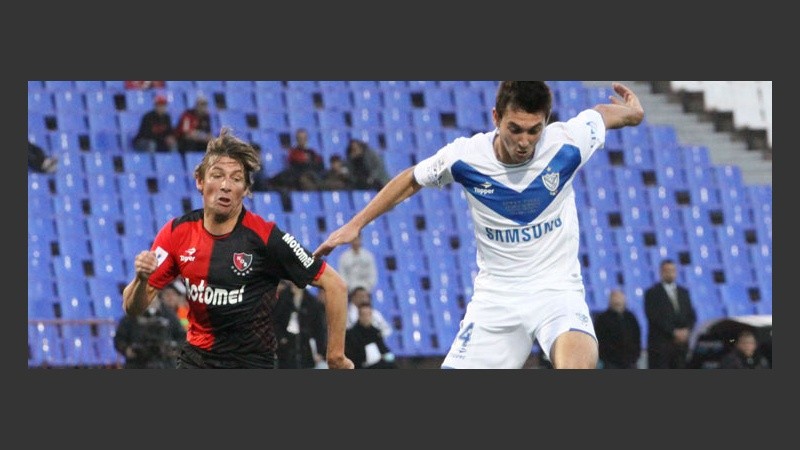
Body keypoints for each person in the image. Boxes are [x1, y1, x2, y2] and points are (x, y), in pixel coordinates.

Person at [314, 81, 645, 369]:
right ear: (496, 118)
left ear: (546, 121)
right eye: (515, 129)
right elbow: (411, 179)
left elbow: (602, 115)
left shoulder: (567, 143)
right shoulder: (466, 157)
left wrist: (634, 114)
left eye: (534, 130)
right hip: (497, 298)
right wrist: (356, 224)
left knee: (578, 363)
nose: (524, 141)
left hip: (558, 291)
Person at [122, 127, 354, 369]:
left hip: (251, 364)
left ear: (246, 190)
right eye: (217, 175)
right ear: (200, 181)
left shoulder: (266, 237)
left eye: (236, 178)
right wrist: (141, 279)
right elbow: (132, 307)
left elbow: (335, 285)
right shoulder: (176, 232)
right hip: (196, 361)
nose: (226, 185)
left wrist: (335, 356)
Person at [644, 259, 698, 369]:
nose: (670, 273)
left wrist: (686, 331)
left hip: (681, 349)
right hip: (661, 348)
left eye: (672, 270)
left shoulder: (684, 292)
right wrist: (674, 332)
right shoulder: (652, 293)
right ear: (661, 272)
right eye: (667, 270)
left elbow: (691, 315)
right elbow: (654, 317)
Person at [113, 294, 186, 368]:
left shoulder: (169, 315)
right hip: (137, 363)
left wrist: (175, 348)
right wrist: (126, 349)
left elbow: (182, 336)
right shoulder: (131, 317)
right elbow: (119, 338)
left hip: (165, 363)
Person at [272, 281, 328, 369]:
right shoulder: (283, 297)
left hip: (305, 347)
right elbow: (275, 320)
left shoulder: (311, 301)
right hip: (286, 349)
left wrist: (320, 351)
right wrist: (281, 338)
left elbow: (319, 328)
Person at [593, 289, 642, 369]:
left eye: (620, 298)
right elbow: (599, 340)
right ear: (610, 300)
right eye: (615, 298)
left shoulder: (631, 317)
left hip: (630, 362)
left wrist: (635, 356)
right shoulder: (602, 319)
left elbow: (637, 337)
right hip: (610, 363)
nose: (618, 301)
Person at [345, 302, 398, 369]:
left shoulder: (375, 332)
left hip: (378, 364)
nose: (366, 317)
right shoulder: (351, 334)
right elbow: (352, 356)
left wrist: (389, 357)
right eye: (364, 315)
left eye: (369, 314)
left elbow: (383, 349)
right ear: (359, 316)